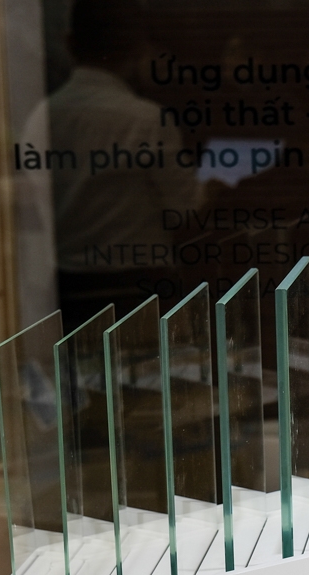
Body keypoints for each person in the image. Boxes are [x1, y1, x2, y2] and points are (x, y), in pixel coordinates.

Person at [33, 0, 203, 329]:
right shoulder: (146, 120)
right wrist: (217, 186)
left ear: (68, 43)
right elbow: (186, 209)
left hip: (69, 293)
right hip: (142, 291)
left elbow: (35, 208)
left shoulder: (41, 117)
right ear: (137, 47)